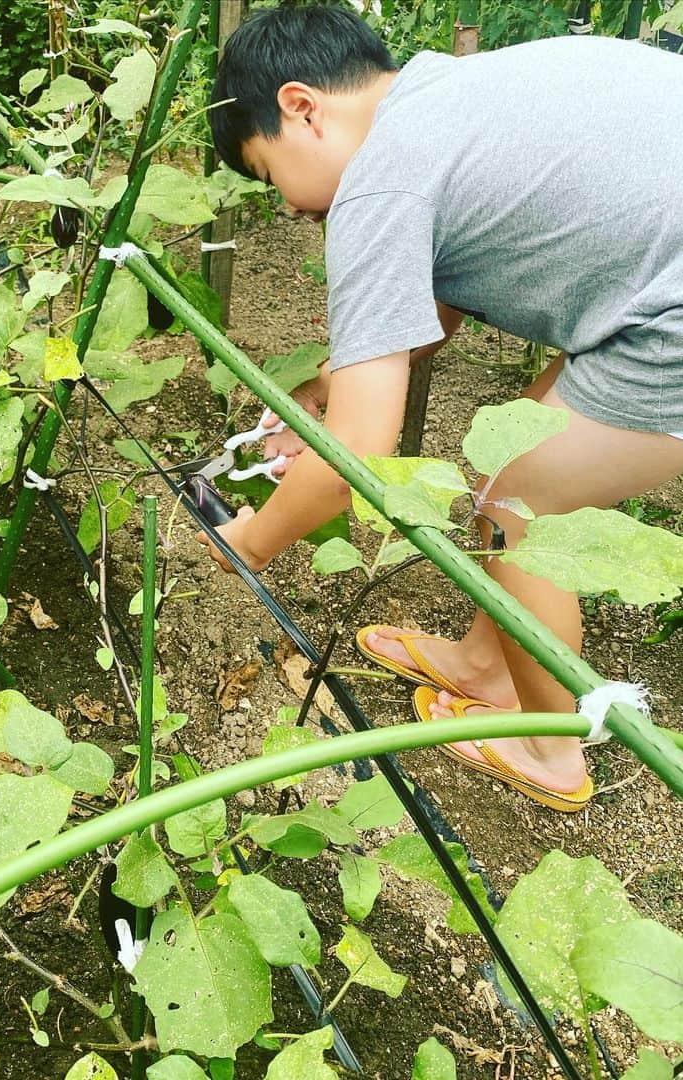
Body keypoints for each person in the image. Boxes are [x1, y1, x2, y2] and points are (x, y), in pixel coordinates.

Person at [197, 4, 683, 811]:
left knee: (515, 506)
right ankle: (489, 665)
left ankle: (554, 748)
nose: (284, 206)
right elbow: (435, 305)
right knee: (511, 468)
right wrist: (328, 383)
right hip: (651, 277)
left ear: (301, 107)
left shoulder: (380, 176)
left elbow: (360, 450)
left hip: (665, 317)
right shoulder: (439, 95)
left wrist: (246, 542)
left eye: (265, 171)